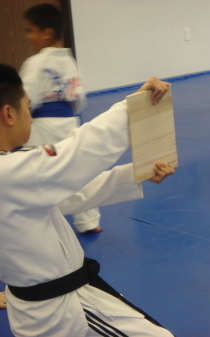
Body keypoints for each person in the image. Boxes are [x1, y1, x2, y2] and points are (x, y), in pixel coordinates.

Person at [0, 63, 175, 337]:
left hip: (40, 308)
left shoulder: (10, 174)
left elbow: (66, 198)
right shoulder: (8, 172)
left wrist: (134, 174)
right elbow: (77, 152)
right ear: (8, 113)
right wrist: (131, 109)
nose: (32, 118)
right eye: (28, 107)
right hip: (62, 313)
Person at [20, 3, 101, 233]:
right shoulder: (69, 60)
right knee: (74, 172)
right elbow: (79, 99)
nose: (28, 37)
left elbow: (24, 100)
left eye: (30, 30)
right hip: (69, 122)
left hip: (42, 128)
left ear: (46, 32)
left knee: (35, 172)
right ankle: (89, 221)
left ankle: (33, 221)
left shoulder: (35, 63)